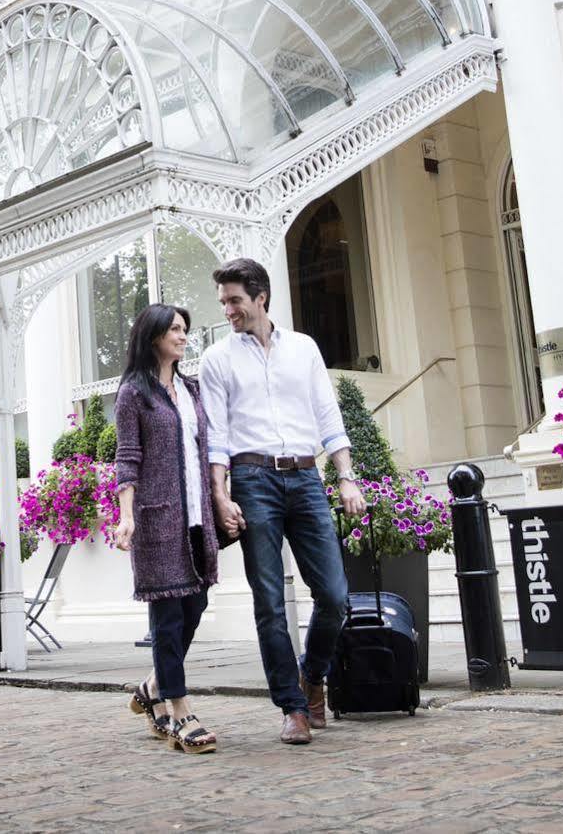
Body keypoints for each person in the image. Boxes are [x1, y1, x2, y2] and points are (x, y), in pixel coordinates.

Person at [199, 256, 365, 745]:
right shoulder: (217, 359)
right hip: (253, 481)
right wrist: (221, 494)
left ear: (261, 297)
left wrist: (347, 477)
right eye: (224, 301)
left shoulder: (304, 349)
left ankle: (312, 677)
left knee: (334, 597)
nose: (228, 310)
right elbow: (217, 438)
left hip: (307, 478)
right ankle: (292, 707)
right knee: (270, 601)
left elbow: (327, 414)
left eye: (235, 300)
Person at [111, 302, 222, 755]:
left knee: (196, 603)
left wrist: (221, 498)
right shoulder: (133, 394)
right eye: (175, 329)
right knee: (168, 617)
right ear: (153, 335)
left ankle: (153, 686)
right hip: (158, 519)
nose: (182, 335)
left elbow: (208, 445)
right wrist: (127, 514)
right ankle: (180, 711)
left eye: (184, 329)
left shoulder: (192, 389)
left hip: (198, 517)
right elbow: (127, 458)